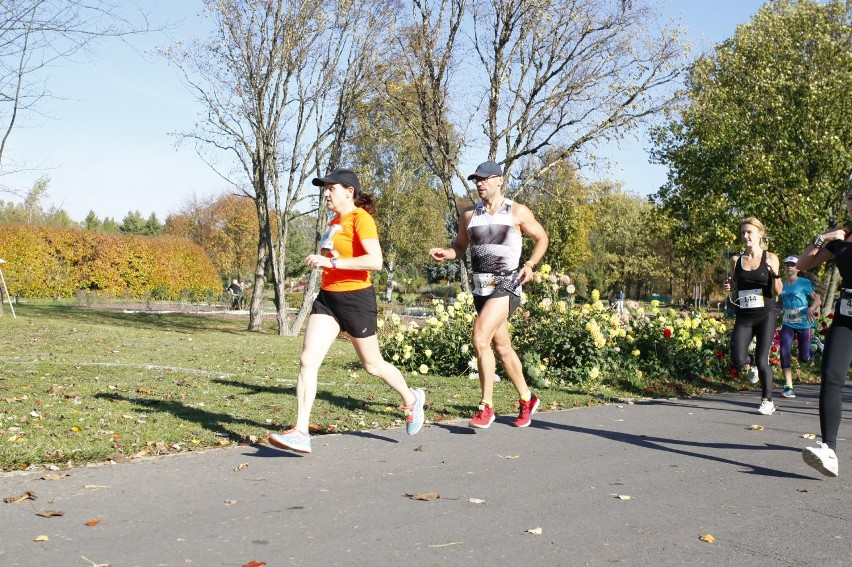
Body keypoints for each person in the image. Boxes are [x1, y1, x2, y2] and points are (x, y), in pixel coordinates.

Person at [268, 168, 425, 454]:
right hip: (328, 298)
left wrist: (333, 264)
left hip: (356, 298)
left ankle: (411, 399)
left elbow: (375, 261)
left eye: (331, 188)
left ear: (348, 191)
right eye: (324, 188)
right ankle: (301, 431)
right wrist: (324, 261)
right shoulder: (334, 222)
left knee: (372, 365)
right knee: (308, 359)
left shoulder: (361, 219)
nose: (326, 193)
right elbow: (335, 256)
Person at [428, 160, 548, 429]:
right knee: (502, 348)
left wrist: (530, 265)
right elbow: (459, 247)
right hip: (481, 290)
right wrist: (445, 253)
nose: (479, 183)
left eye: (484, 179)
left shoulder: (517, 212)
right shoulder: (470, 216)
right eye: (476, 180)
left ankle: (486, 406)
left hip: (507, 285)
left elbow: (542, 238)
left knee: (480, 337)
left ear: (499, 180)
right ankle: (527, 399)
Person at [797, 187, 852, 477]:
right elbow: (803, 263)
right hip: (846, 315)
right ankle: (829, 450)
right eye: (851, 199)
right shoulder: (842, 237)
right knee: (831, 377)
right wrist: (824, 238)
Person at [723, 217, 783, 415]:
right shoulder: (736, 260)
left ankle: (767, 400)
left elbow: (778, 291)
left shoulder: (771, 258)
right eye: (742, 233)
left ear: (760, 234)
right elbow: (733, 286)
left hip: (765, 314)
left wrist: (775, 274)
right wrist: (729, 287)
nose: (745, 236)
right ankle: (752, 363)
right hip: (744, 315)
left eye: (749, 232)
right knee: (738, 358)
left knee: (762, 357)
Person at [776, 256, 821, 399]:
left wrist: (811, 308)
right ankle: (788, 387)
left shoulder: (804, 283)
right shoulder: (781, 284)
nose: (789, 267)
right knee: (784, 351)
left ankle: (814, 345)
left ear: (798, 267)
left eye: (792, 264)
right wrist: (772, 310)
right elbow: (779, 303)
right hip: (788, 323)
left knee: (804, 358)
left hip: (803, 323)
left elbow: (817, 299)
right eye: (787, 264)